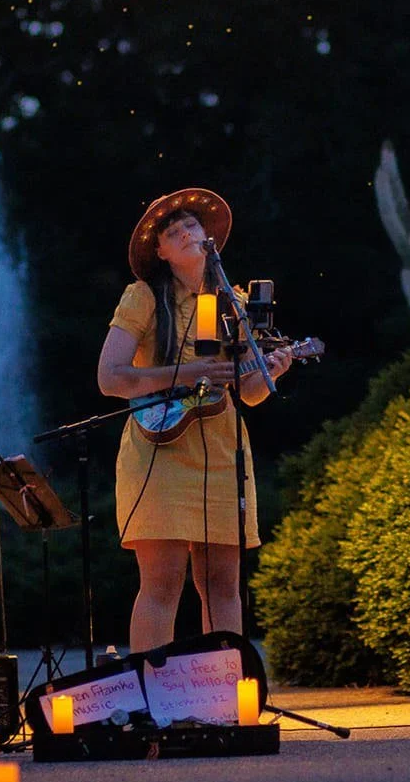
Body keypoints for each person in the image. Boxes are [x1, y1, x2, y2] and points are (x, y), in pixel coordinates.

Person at [97, 187, 292, 652]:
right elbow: (110, 378)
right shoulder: (144, 296)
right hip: (159, 450)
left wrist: (272, 370)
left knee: (222, 583)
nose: (184, 233)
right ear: (161, 253)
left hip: (221, 451)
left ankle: (223, 683)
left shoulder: (229, 303)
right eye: (171, 232)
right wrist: (185, 373)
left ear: (209, 239)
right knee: (162, 583)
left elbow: (248, 392)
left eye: (190, 225)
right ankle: (151, 688)